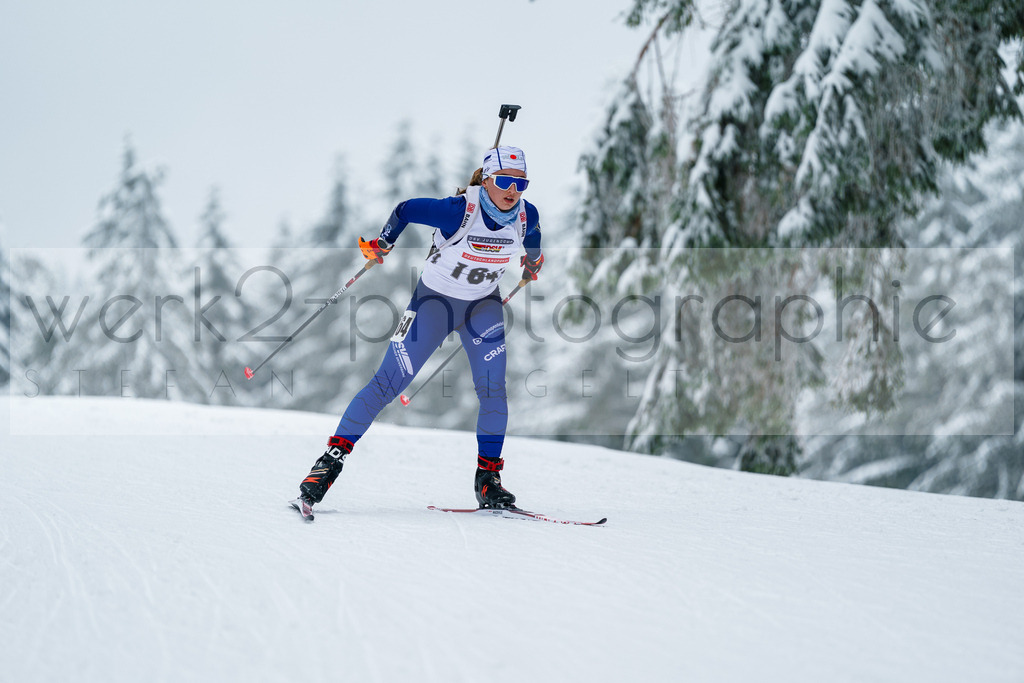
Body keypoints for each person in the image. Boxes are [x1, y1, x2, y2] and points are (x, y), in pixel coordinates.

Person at [295, 145, 544, 513]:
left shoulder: (525, 214)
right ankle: (328, 464)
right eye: (506, 181)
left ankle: (488, 481)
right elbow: (406, 209)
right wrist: (384, 242)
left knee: (493, 390)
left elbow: (534, 237)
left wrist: (532, 261)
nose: (513, 191)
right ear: (488, 179)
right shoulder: (458, 210)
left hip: (482, 308)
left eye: (521, 183)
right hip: (434, 305)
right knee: (387, 384)